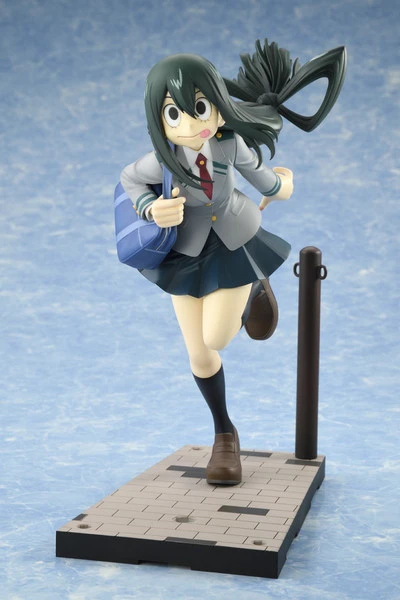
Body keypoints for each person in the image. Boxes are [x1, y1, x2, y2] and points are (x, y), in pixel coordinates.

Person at [120, 39, 346, 485]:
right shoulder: (163, 159)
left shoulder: (228, 144)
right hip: (185, 253)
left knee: (217, 336)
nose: (191, 124)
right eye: (173, 114)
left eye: (200, 107)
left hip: (234, 242)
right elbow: (130, 180)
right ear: (158, 121)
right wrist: (150, 208)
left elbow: (265, 181)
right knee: (199, 354)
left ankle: (254, 285)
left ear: (219, 106)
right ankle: (224, 433)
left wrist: (284, 185)